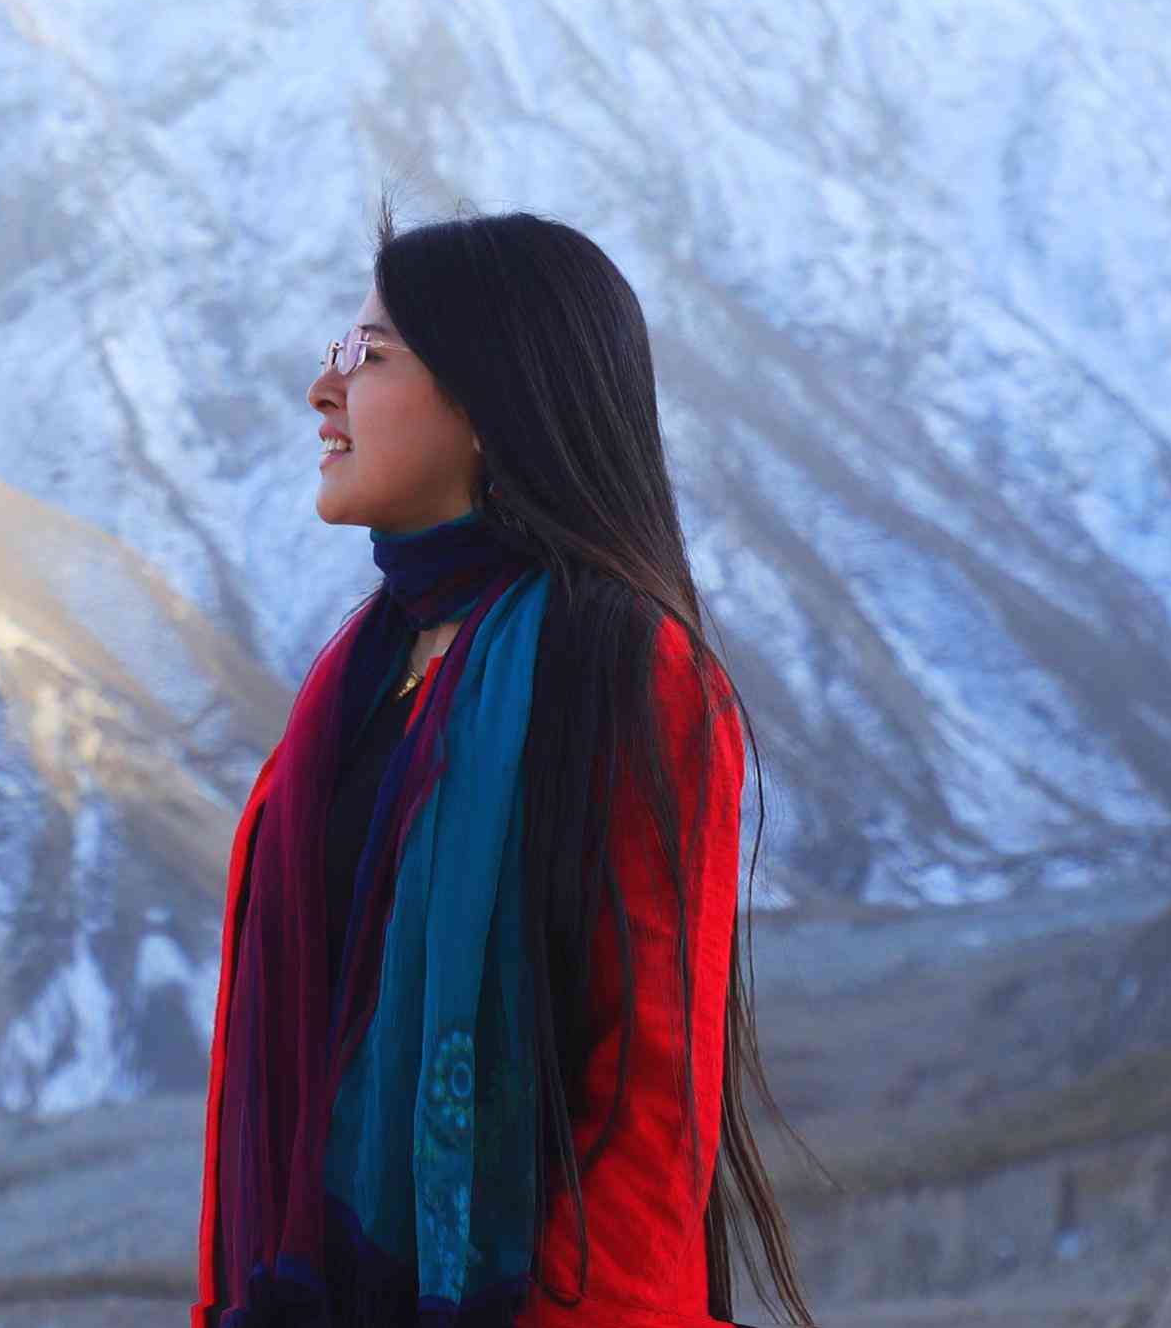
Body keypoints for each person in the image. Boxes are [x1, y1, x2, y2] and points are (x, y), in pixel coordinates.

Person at [191, 206, 814, 1327]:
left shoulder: (627, 671)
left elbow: (648, 1102)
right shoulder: (358, 677)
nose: (323, 389)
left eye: (369, 355)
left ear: (489, 403)